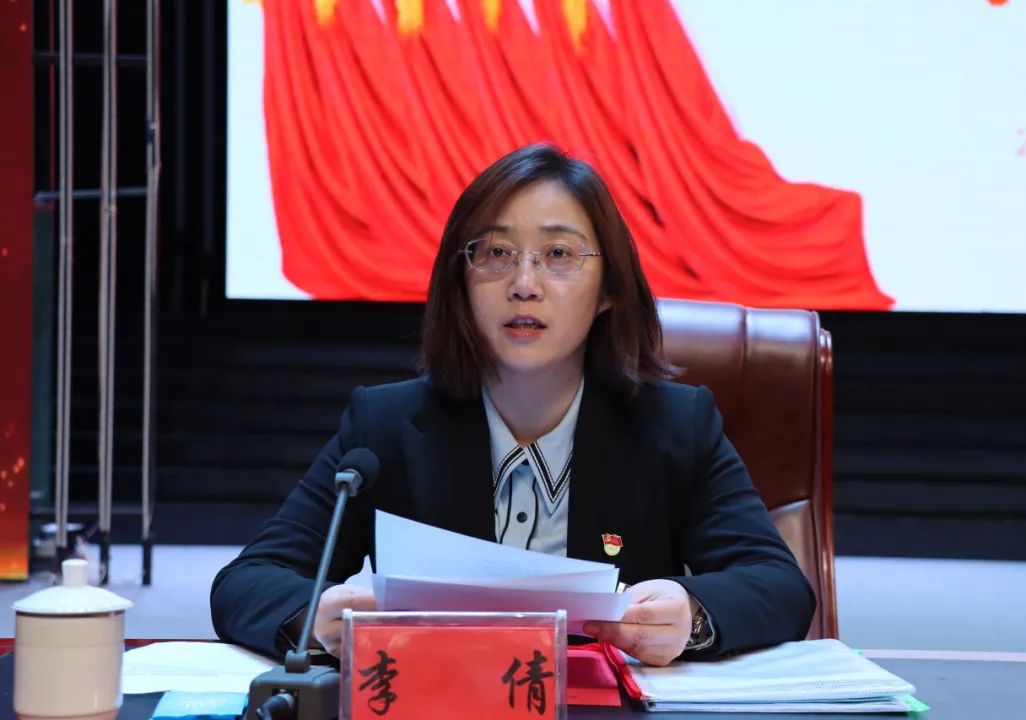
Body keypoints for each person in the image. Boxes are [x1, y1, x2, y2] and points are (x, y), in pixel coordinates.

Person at [211, 144, 815, 667]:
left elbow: (778, 585)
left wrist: (692, 614)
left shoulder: (674, 426)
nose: (524, 284)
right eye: (497, 254)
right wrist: (316, 617)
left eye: (559, 255)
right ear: (461, 282)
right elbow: (249, 581)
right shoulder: (385, 427)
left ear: (608, 290)